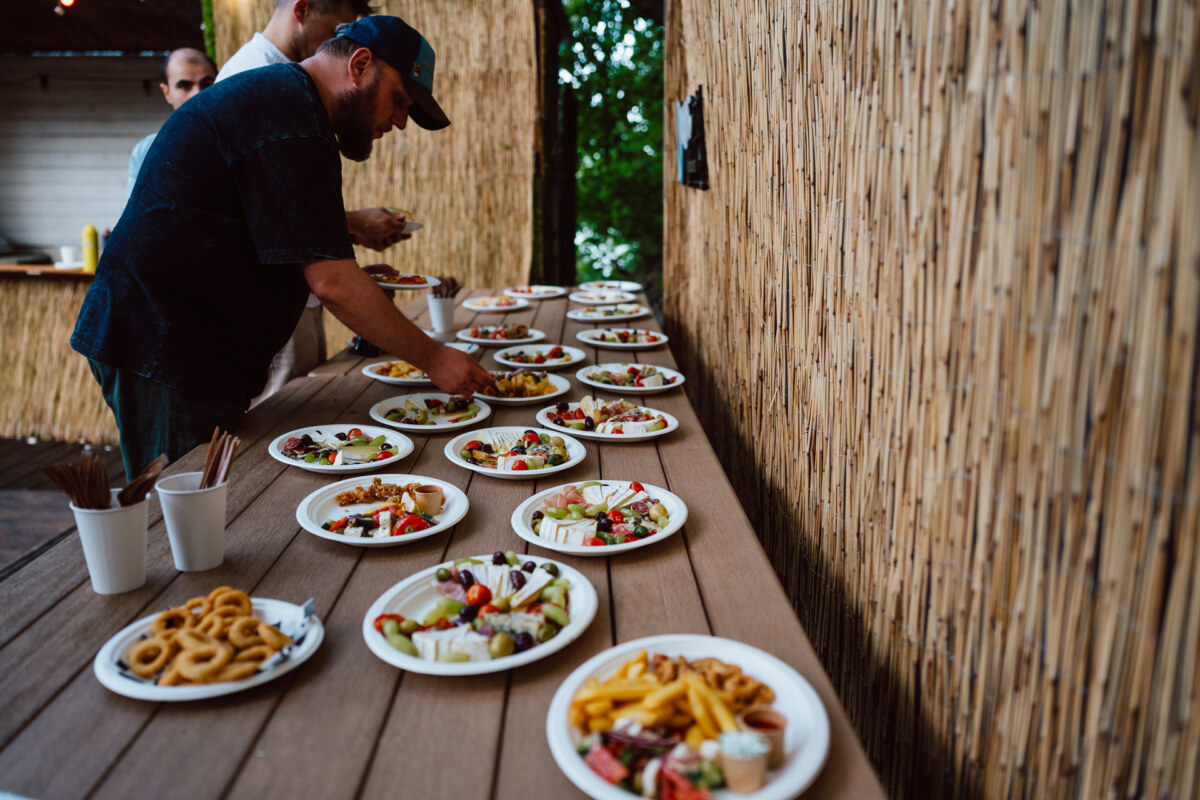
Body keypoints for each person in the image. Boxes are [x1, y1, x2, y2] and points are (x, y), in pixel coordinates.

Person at [72, 16, 494, 478]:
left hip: (178, 349)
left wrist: (360, 286)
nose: (398, 122)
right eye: (398, 100)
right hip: (162, 349)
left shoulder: (290, 106)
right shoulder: (291, 116)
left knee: (207, 513)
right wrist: (434, 359)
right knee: (184, 521)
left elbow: (272, 245)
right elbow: (331, 282)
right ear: (360, 64)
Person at [218, 0, 407, 406]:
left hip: (271, 304)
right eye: (340, 27)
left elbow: (277, 222)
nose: (342, 39)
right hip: (191, 332)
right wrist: (436, 359)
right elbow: (327, 278)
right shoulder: (266, 82)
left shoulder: (299, 94)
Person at [126, 48, 217, 200]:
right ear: (166, 92)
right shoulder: (146, 152)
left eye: (207, 84)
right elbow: (133, 217)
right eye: (184, 86)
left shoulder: (241, 142)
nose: (197, 94)